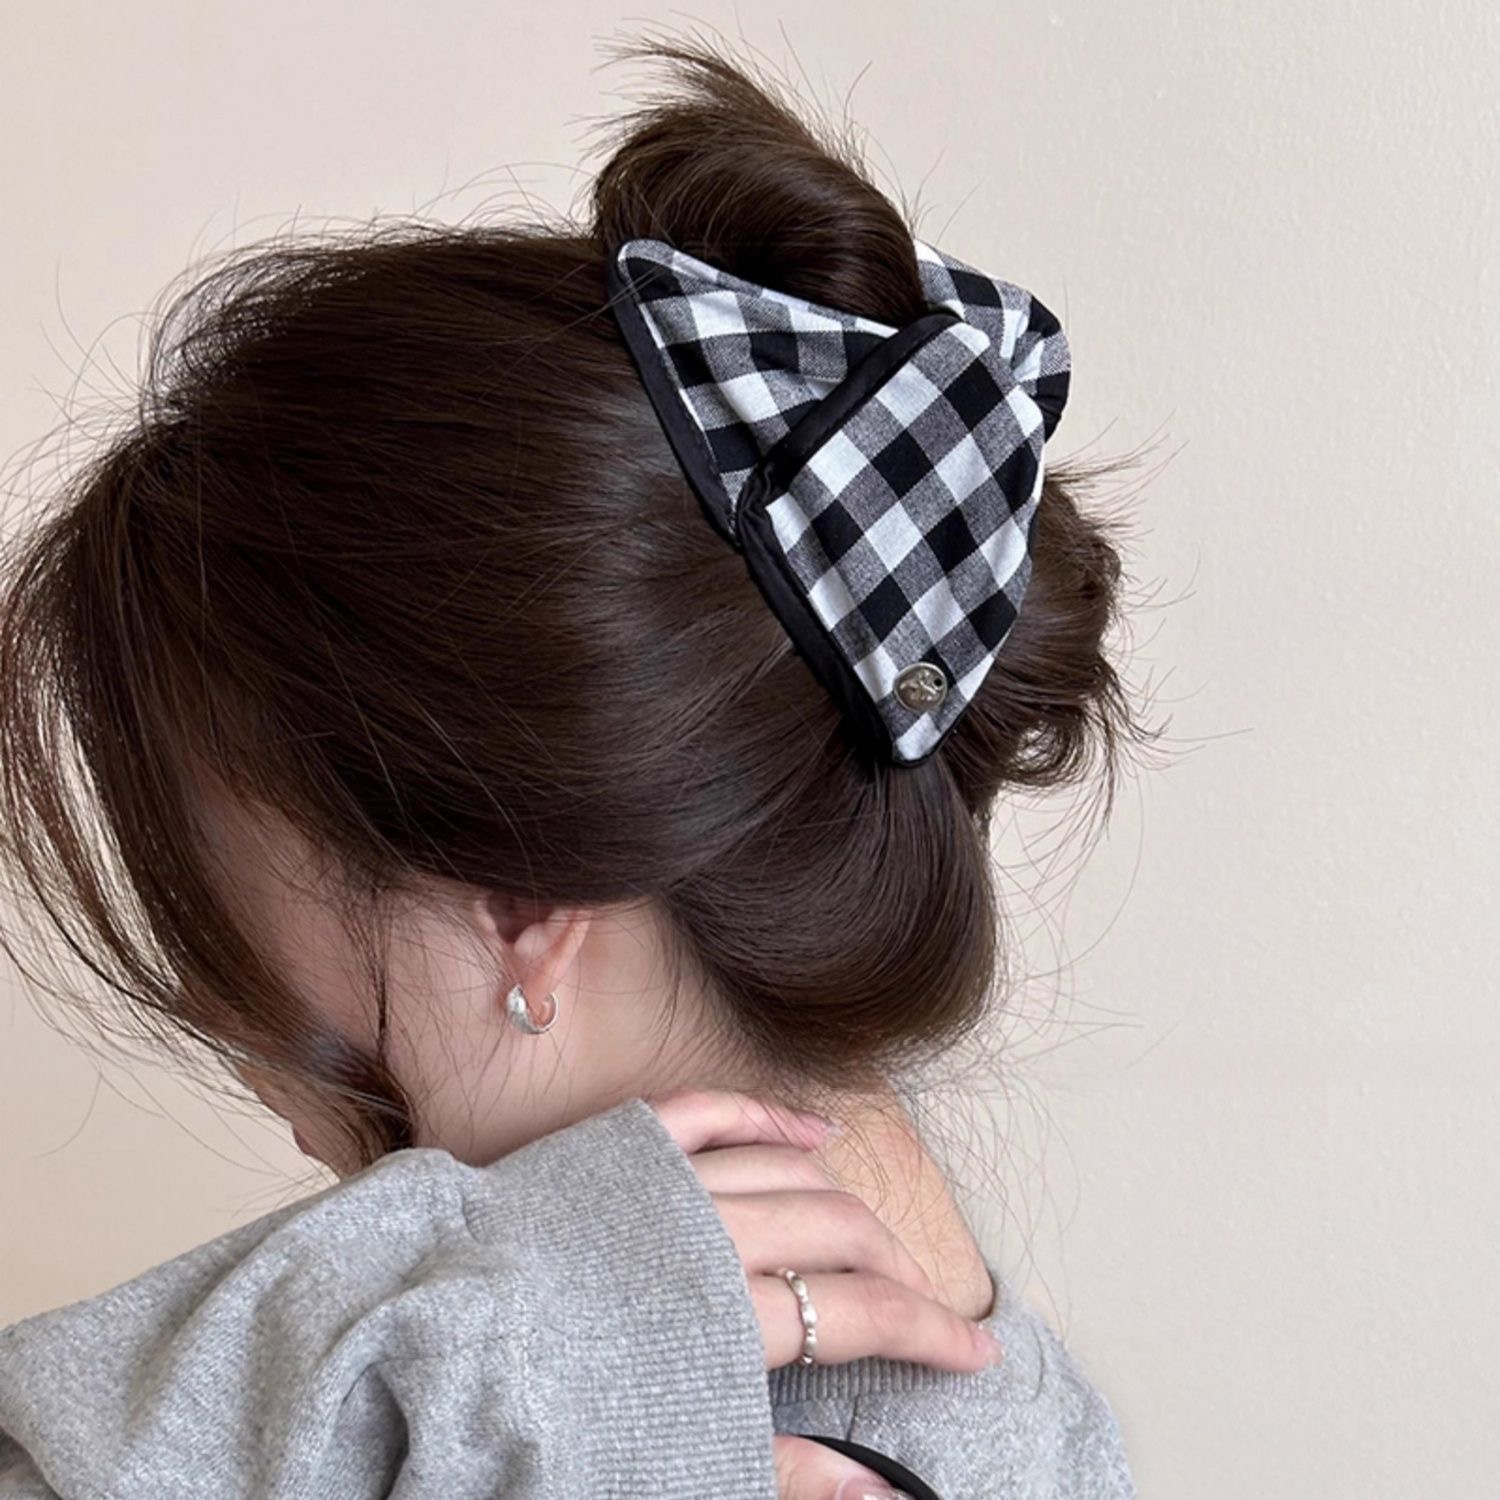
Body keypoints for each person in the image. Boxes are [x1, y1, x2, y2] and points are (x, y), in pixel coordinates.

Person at [0, 30, 1149, 1500]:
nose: (232, 1027)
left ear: (520, 902)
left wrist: (400, 1364)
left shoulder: (605, 1426)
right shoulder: (977, 1416)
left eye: (225, 893)